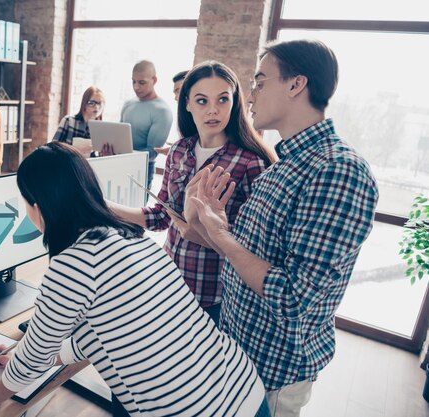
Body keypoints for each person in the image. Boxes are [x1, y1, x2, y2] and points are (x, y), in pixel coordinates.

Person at [0, 142, 270, 417]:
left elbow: (36, 354)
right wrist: (27, 357)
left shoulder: (73, 264)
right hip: (243, 388)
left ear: (38, 207)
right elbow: (104, 330)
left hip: (192, 409)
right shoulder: (133, 237)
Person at [184, 39, 379, 417]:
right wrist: (209, 224)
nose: (249, 96)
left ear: (295, 85)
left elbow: (294, 298)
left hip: (271, 370)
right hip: (238, 350)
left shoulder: (338, 170)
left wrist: (221, 236)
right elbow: (251, 255)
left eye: (258, 82)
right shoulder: (285, 164)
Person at [109, 61, 276, 325]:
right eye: (201, 101)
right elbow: (161, 217)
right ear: (186, 103)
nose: (213, 110)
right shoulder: (179, 150)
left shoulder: (250, 163)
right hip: (169, 284)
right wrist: (105, 206)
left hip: (217, 298)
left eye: (223, 99)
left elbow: (256, 249)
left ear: (235, 103)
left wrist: (203, 234)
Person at [121, 60, 173, 190]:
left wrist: (122, 154)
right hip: (120, 164)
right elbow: (119, 136)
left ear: (154, 80)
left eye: (141, 82)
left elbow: (153, 152)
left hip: (142, 171)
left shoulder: (162, 111)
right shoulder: (128, 104)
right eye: (133, 81)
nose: (136, 87)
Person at [52, 85, 105, 157]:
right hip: (66, 164)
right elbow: (52, 147)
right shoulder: (68, 121)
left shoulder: (101, 129)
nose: (97, 107)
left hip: (87, 166)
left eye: (100, 104)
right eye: (92, 103)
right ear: (84, 103)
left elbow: (99, 159)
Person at [155, 69, 189, 156]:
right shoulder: (185, 117)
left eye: (178, 91)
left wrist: (176, 150)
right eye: (175, 92)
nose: (176, 98)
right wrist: (176, 148)